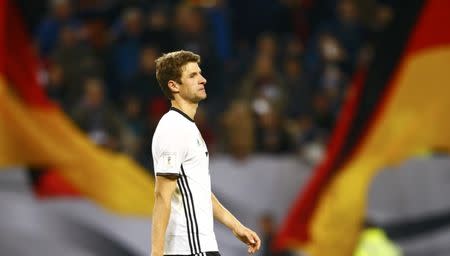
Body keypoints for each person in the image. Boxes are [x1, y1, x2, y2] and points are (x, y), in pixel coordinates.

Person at [151, 50, 261, 256]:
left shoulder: (188, 127)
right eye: (192, 76)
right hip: (189, 248)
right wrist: (157, 253)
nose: (203, 79)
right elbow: (162, 195)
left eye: (200, 73)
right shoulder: (173, 128)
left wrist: (236, 227)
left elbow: (197, 190)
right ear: (174, 86)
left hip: (201, 247)